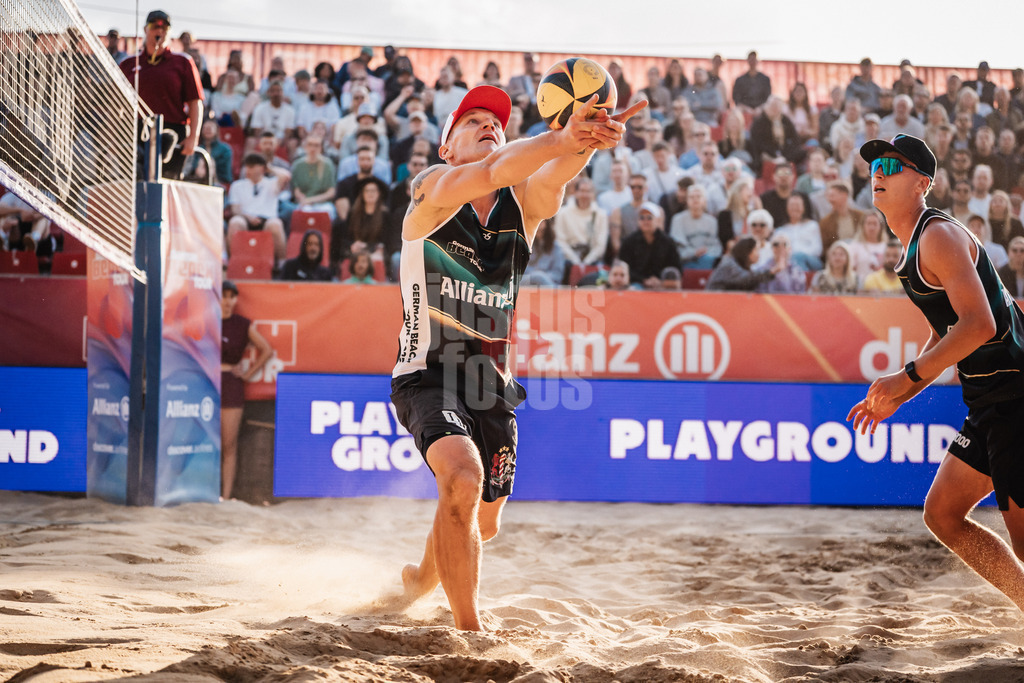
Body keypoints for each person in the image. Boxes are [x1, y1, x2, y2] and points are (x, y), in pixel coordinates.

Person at [390, 84, 643, 631]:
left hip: (491, 384)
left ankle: (420, 579)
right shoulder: (431, 191)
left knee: (482, 519)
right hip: (426, 376)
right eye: (472, 121)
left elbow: (552, 175)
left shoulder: (522, 206)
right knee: (460, 478)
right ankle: (469, 630)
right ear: (445, 147)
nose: (489, 126)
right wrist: (563, 135)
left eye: (497, 123)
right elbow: (489, 173)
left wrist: (587, 138)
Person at [850, 133, 1024, 613]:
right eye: (875, 166)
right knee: (943, 515)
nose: (878, 172)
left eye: (891, 164)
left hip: (1015, 392)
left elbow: (979, 325)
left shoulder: (938, 236)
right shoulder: (912, 245)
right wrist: (899, 394)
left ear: (922, 182)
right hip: (991, 398)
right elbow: (943, 332)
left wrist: (905, 378)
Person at [119, 10, 204, 180]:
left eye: (164, 27)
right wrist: (115, 136)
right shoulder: (129, 64)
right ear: (145, 29)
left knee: (166, 183)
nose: (159, 31)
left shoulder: (183, 62)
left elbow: (195, 102)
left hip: (173, 132)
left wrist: (193, 137)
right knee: (135, 183)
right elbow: (117, 104)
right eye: (154, 26)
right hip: (136, 131)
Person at [220, 280, 272, 500]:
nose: (228, 301)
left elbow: (267, 350)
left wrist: (249, 373)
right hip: (205, 384)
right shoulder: (206, 320)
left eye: (232, 296)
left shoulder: (241, 324)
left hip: (231, 386)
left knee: (228, 445)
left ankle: (225, 495)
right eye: (224, 295)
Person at [226, 154, 288, 262]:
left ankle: (281, 263)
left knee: (276, 225)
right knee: (235, 222)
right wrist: (248, 217)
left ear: (261, 168)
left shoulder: (271, 183)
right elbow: (235, 209)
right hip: (245, 217)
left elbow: (286, 176)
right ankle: (233, 262)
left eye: (252, 166)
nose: (247, 170)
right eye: (247, 166)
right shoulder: (237, 185)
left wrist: (269, 168)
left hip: (267, 219)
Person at [618, 202, 682, 288]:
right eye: (642, 218)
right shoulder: (629, 242)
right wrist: (643, 280)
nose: (645, 221)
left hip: (663, 285)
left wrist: (661, 281)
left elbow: (676, 268)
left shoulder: (668, 242)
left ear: (657, 220)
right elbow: (624, 267)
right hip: (636, 284)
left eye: (649, 218)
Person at [552, 178, 609, 268]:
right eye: (582, 191)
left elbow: (600, 245)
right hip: (568, 261)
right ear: (576, 193)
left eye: (588, 191)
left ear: (593, 194)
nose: (585, 195)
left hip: (592, 261)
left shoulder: (600, 215)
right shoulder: (562, 213)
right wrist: (576, 262)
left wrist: (586, 262)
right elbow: (561, 241)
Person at [706, 235, 778, 291]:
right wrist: (771, 272)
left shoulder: (743, 266)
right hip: (715, 302)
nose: (758, 254)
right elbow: (745, 279)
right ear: (747, 251)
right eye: (756, 250)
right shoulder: (729, 264)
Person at [521, 219, 566, 287]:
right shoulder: (526, 245)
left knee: (540, 277)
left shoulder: (556, 248)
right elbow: (521, 271)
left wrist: (542, 276)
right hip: (527, 281)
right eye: (537, 231)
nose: (539, 234)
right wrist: (536, 275)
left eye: (542, 231)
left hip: (547, 284)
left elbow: (557, 274)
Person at [846, 210, 888, 281]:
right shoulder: (855, 246)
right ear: (863, 226)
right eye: (869, 223)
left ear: (880, 227)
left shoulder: (886, 247)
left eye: (875, 224)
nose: (872, 227)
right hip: (861, 286)